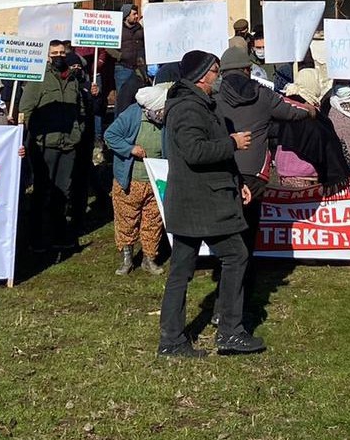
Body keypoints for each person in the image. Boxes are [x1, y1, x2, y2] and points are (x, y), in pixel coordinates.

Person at [156, 51, 259, 358]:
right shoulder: (189, 108)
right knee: (236, 255)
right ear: (202, 76)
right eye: (215, 71)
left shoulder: (199, 105)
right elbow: (195, 151)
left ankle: (172, 340)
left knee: (181, 270)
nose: (219, 76)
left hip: (196, 200)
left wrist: (238, 181)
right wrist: (232, 143)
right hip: (203, 202)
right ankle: (229, 331)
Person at [216, 45, 317, 298]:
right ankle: (244, 287)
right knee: (248, 233)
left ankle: (225, 283)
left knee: (227, 232)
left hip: (222, 171)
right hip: (255, 175)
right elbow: (292, 110)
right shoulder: (262, 94)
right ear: (248, 69)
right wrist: (312, 111)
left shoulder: (213, 96)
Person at [18, 40, 92, 253]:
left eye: (61, 52)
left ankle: (59, 235)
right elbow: (26, 109)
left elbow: (80, 108)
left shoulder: (73, 80)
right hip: (45, 144)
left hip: (68, 144)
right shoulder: (38, 79)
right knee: (43, 191)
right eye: (54, 53)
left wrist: (78, 129)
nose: (58, 56)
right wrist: (26, 137)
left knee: (63, 191)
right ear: (48, 56)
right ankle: (36, 237)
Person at [103, 82, 170, 276]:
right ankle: (127, 259)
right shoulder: (132, 115)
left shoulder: (165, 121)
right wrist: (130, 149)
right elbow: (111, 135)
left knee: (153, 220)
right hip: (130, 181)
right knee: (127, 219)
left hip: (154, 181)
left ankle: (149, 258)